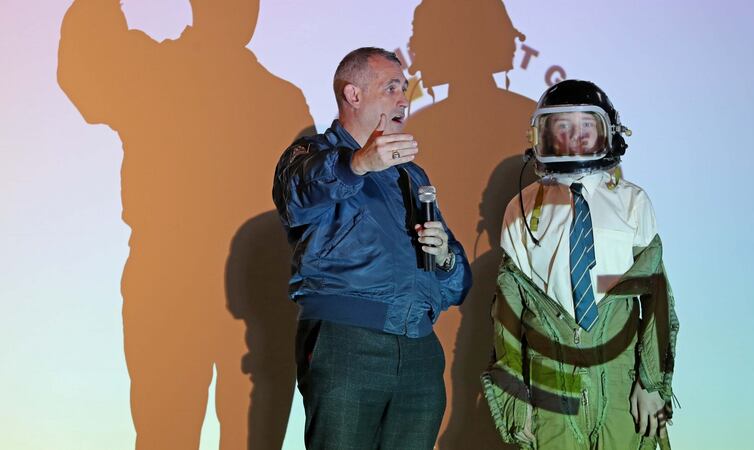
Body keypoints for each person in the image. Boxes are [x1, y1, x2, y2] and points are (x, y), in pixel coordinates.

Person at [57, 1, 315, 448]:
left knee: (248, 438)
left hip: (255, 296)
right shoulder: (152, 71)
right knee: (168, 435)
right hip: (174, 287)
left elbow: (310, 207)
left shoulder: (280, 98)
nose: (245, 12)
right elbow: (87, 66)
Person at [273, 47, 472, 450]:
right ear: (353, 95)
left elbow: (457, 285)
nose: (404, 99)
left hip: (418, 348)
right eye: (391, 87)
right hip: (348, 342)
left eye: (405, 89)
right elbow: (299, 194)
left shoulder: (412, 175)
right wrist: (359, 164)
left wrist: (447, 258)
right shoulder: (311, 155)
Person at [481, 80, 678, 450]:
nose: (575, 136)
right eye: (563, 127)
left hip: (621, 374)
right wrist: (514, 397)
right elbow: (507, 314)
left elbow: (657, 299)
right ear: (545, 135)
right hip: (549, 379)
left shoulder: (632, 202)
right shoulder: (521, 209)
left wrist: (652, 385)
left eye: (586, 126)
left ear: (607, 133)